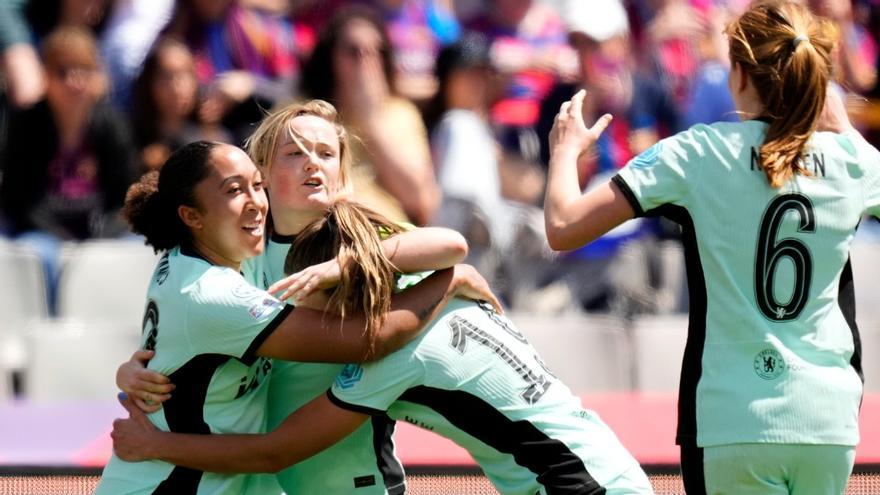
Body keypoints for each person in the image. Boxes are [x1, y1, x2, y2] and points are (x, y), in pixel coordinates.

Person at [543, 2, 872, 493]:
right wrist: (846, 132)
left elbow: (564, 225)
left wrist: (566, 150)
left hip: (730, 419)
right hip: (827, 422)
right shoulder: (852, 161)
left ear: (739, 73)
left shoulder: (697, 152)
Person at [110, 198, 654, 495]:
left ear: (343, 294)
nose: (308, 318)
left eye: (313, 302)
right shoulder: (453, 300)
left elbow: (274, 450)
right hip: (615, 475)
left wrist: (155, 445)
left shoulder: (396, 352)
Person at [95, 140, 498, 494]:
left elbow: (449, 242)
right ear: (191, 216)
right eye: (234, 190)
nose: (256, 201)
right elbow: (366, 338)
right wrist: (450, 282)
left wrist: (128, 369)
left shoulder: (195, 257)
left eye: (257, 184)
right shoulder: (212, 293)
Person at [300, 5, 440, 225]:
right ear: (330, 59)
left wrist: (370, 123)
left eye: (378, 51)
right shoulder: (300, 113)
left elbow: (421, 201)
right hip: (322, 233)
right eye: (354, 51)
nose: (367, 61)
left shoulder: (400, 113)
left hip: (389, 234)